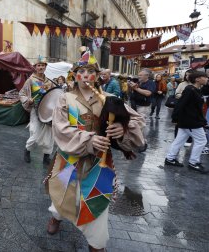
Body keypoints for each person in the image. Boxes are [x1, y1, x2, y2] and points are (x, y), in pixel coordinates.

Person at [46, 62, 145, 251]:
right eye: (81, 71)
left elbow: (137, 120)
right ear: (74, 76)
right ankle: (56, 216)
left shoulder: (108, 98)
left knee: (97, 202)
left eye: (90, 71)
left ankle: (96, 244)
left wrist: (122, 127)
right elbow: (60, 128)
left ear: (97, 76)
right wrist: (88, 141)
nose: (85, 75)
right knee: (63, 195)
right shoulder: (65, 98)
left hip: (99, 162)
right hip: (69, 159)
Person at [165, 71, 209, 174]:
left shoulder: (197, 89)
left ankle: (170, 159)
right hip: (190, 121)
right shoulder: (190, 90)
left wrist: (203, 121)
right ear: (198, 79)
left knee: (179, 140)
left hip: (190, 120)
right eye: (205, 77)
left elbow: (195, 108)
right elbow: (180, 104)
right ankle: (193, 162)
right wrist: (175, 118)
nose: (207, 79)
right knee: (201, 141)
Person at [19, 56, 55, 164]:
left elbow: (54, 94)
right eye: (38, 65)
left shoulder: (49, 82)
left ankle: (46, 156)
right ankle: (27, 150)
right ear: (35, 67)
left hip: (48, 111)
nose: (41, 67)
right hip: (36, 109)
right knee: (35, 133)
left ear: (45, 67)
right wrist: (27, 99)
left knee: (49, 134)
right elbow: (22, 93)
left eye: (43, 65)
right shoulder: (30, 80)